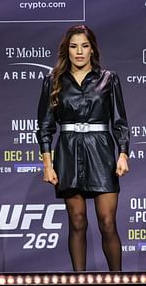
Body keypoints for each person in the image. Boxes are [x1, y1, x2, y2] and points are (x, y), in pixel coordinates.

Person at [36, 24, 129, 272]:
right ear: (67, 50)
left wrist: (122, 153)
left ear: (92, 50)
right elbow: (45, 126)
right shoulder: (53, 80)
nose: (79, 51)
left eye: (84, 46)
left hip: (101, 153)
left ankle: (116, 279)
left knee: (107, 222)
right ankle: (79, 279)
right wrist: (47, 164)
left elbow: (119, 121)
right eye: (74, 46)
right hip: (68, 152)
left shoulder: (108, 79)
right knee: (77, 222)